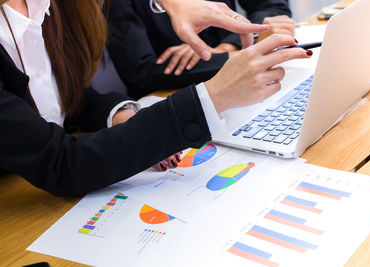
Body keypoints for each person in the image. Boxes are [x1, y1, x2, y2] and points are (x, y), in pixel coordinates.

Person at [0, 0, 310, 196]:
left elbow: (66, 100)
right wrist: (213, 96)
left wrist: (121, 113)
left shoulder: (54, 8)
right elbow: (61, 164)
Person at [106, 0, 296, 99]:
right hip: (174, 96)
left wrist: (229, 45)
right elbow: (140, 72)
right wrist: (231, 56)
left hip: (248, 80)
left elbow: (272, 7)